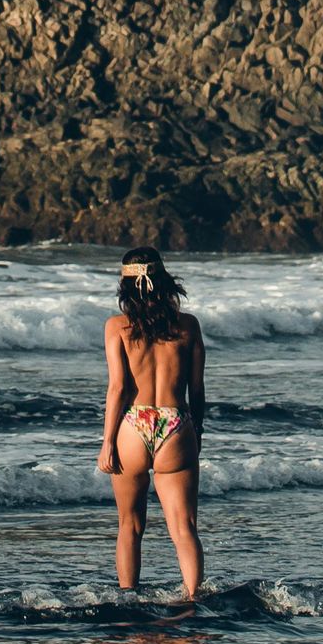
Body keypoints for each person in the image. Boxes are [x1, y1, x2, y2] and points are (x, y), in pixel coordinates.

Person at [95, 245, 206, 597]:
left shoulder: (117, 327)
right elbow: (197, 389)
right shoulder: (188, 326)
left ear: (125, 286)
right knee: (184, 526)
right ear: (164, 280)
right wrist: (196, 432)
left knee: (130, 525)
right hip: (176, 422)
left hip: (134, 425)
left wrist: (108, 442)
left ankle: (129, 599)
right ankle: (192, 598)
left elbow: (117, 389)